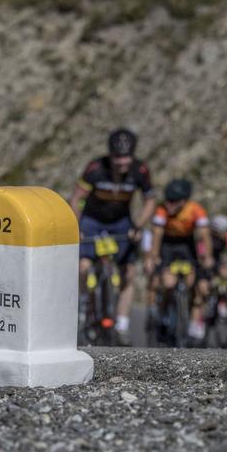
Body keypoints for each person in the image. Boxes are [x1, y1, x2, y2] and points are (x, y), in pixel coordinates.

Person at [69, 128, 156, 344]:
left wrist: (139, 224)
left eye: (126, 158)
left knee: (129, 272)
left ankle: (123, 323)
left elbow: (150, 201)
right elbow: (77, 198)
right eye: (117, 158)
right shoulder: (95, 168)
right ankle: (82, 307)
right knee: (83, 267)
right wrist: (75, 226)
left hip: (121, 221)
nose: (122, 163)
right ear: (110, 155)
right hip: (92, 220)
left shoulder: (140, 171)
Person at [144, 179, 215, 341]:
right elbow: (157, 234)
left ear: (184, 201)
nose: (168, 204)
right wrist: (154, 256)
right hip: (167, 244)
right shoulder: (161, 210)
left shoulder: (196, 210)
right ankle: (163, 314)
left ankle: (188, 316)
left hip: (186, 244)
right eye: (167, 200)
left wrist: (208, 256)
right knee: (168, 283)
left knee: (191, 282)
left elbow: (204, 235)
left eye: (173, 202)